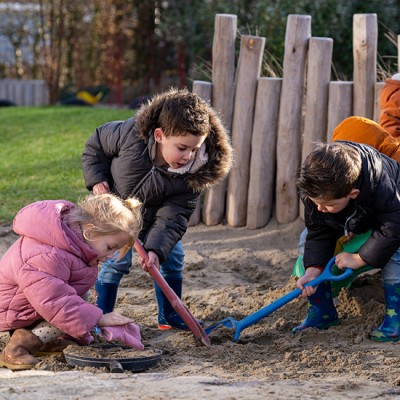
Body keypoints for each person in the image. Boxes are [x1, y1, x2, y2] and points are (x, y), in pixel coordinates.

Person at [81, 88, 233, 330]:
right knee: (115, 263)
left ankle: (170, 316)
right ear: (160, 135)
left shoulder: (192, 175)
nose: (189, 156)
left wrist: (155, 250)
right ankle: (101, 316)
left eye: (195, 149)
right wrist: (96, 178)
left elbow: (174, 216)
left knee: (173, 259)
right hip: (116, 218)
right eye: (182, 148)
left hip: (155, 224)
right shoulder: (129, 135)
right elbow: (96, 146)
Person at [0, 193, 144, 371]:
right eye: (110, 247)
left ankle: (45, 343)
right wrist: (98, 318)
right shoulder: (47, 254)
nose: (111, 256)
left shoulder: (70, 244)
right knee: (66, 309)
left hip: (31, 303)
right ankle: (17, 348)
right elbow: (55, 301)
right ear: (90, 231)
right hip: (13, 308)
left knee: (76, 301)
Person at [293, 140, 400, 342]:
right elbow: (319, 231)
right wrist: (313, 269)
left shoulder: (380, 184)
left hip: (392, 219)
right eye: (315, 202)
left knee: (397, 252)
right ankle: (322, 312)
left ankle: (396, 317)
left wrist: (360, 258)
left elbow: (393, 228)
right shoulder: (317, 189)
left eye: (327, 204)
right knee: (306, 237)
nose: (319, 209)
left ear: (353, 194)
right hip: (356, 218)